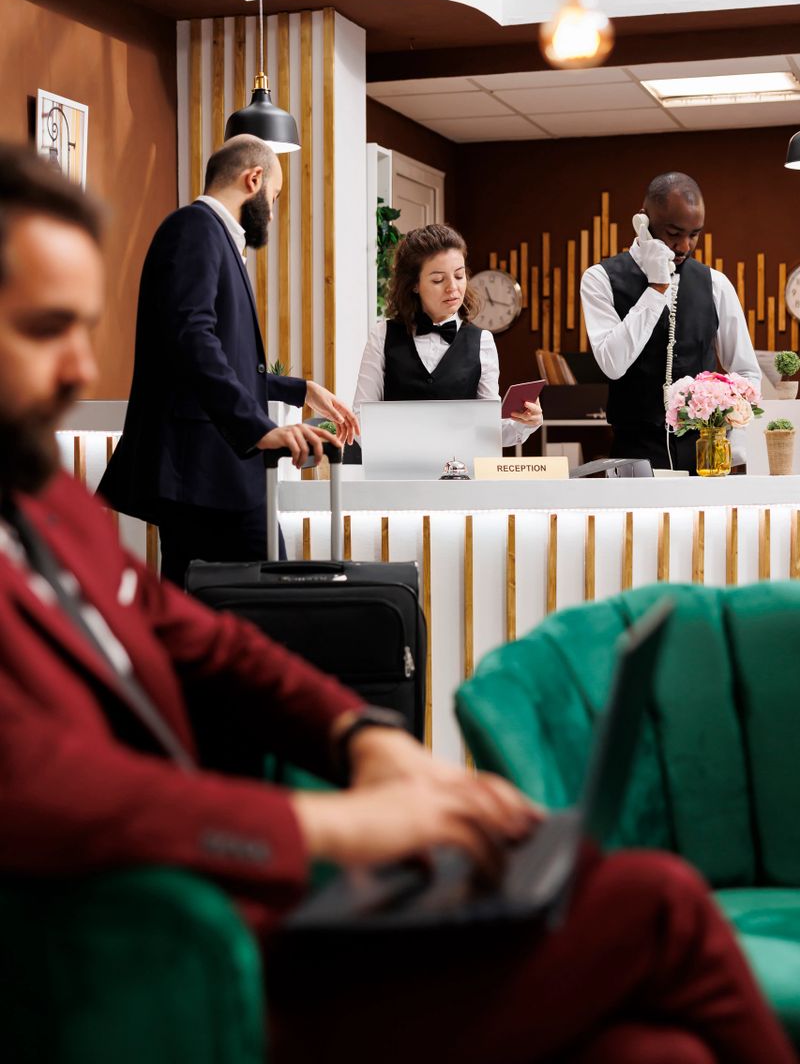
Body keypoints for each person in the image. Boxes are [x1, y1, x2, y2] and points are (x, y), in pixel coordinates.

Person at [0, 143, 796, 1064]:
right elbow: (44, 789)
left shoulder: (49, 504)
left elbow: (207, 640)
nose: (77, 367)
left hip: (258, 894)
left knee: (656, 1052)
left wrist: (370, 744)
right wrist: (332, 825)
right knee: (655, 901)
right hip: (179, 959)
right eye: (44, 327)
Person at [99, 134, 358, 583]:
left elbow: (219, 356)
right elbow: (192, 341)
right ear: (253, 179)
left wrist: (300, 390)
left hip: (209, 471)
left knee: (208, 613)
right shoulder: (195, 228)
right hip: (204, 470)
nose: (272, 213)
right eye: (274, 197)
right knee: (251, 603)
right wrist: (259, 430)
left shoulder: (205, 233)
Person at [580, 172, 761, 473]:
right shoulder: (600, 279)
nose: (684, 246)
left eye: (694, 234)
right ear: (643, 221)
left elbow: (746, 372)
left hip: (704, 456)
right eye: (674, 233)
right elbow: (612, 363)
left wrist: (732, 430)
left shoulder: (716, 284)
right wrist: (656, 289)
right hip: (634, 456)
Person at [353, 223, 542, 446]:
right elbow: (360, 418)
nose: (453, 287)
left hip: (461, 475)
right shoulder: (382, 334)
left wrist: (525, 422)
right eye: (438, 280)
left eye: (459, 276)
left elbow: (490, 430)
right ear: (414, 284)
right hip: (395, 473)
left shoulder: (482, 341)